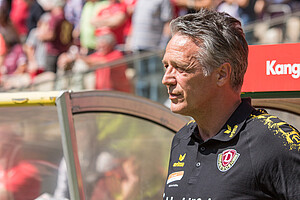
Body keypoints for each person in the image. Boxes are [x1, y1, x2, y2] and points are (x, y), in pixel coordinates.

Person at [162, 9, 300, 199]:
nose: (166, 79)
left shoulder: (273, 139)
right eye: (166, 66)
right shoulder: (182, 138)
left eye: (181, 68)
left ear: (221, 74)